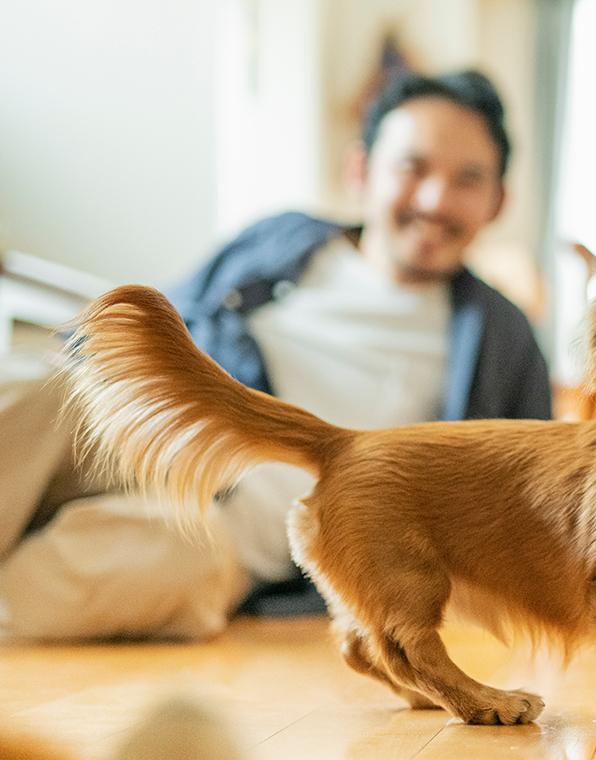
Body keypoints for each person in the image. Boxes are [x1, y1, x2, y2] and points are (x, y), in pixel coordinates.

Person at [0, 69, 551, 641]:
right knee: (36, 386)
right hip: (142, 426)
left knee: (153, 564)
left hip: (225, 528)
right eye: (412, 168)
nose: (436, 200)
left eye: (468, 179)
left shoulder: (504, 341)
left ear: (497, 201)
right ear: (361, 171)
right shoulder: (280, 239)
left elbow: (525, 511)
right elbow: (159, 323)